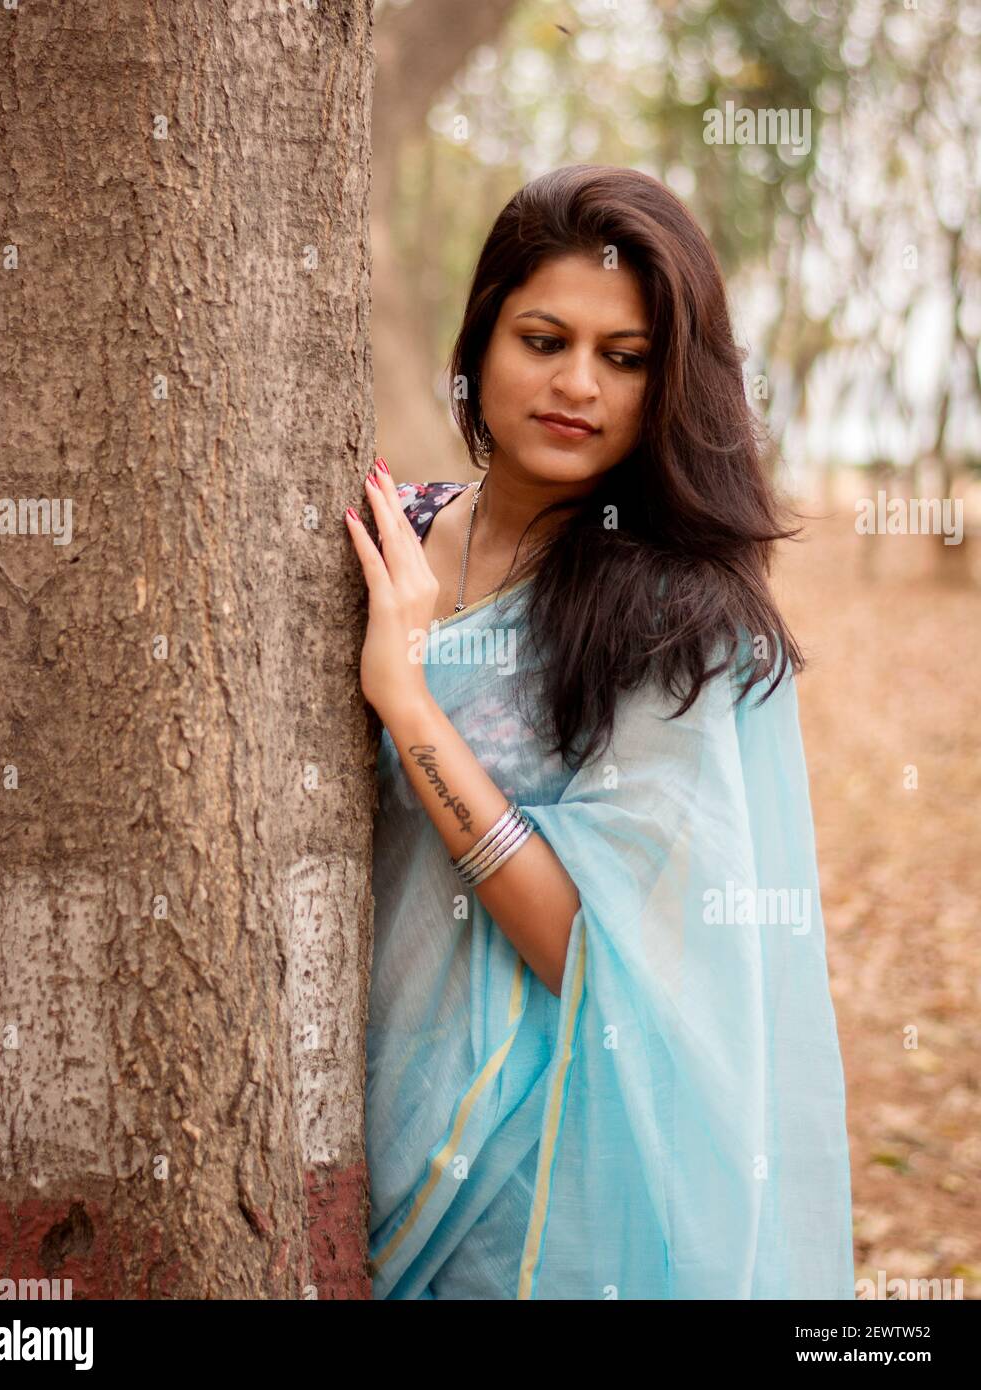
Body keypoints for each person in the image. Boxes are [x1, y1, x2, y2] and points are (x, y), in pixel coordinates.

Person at [344, 164, 855, 1300]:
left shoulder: (676, 623)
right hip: (343, 1125)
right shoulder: (393, 537)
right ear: (479, 345)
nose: (577, 383)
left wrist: (411, 703)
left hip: (530, 1182)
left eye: (623, 358)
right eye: (543, 338)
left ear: (666, 383)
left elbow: (590, 943)